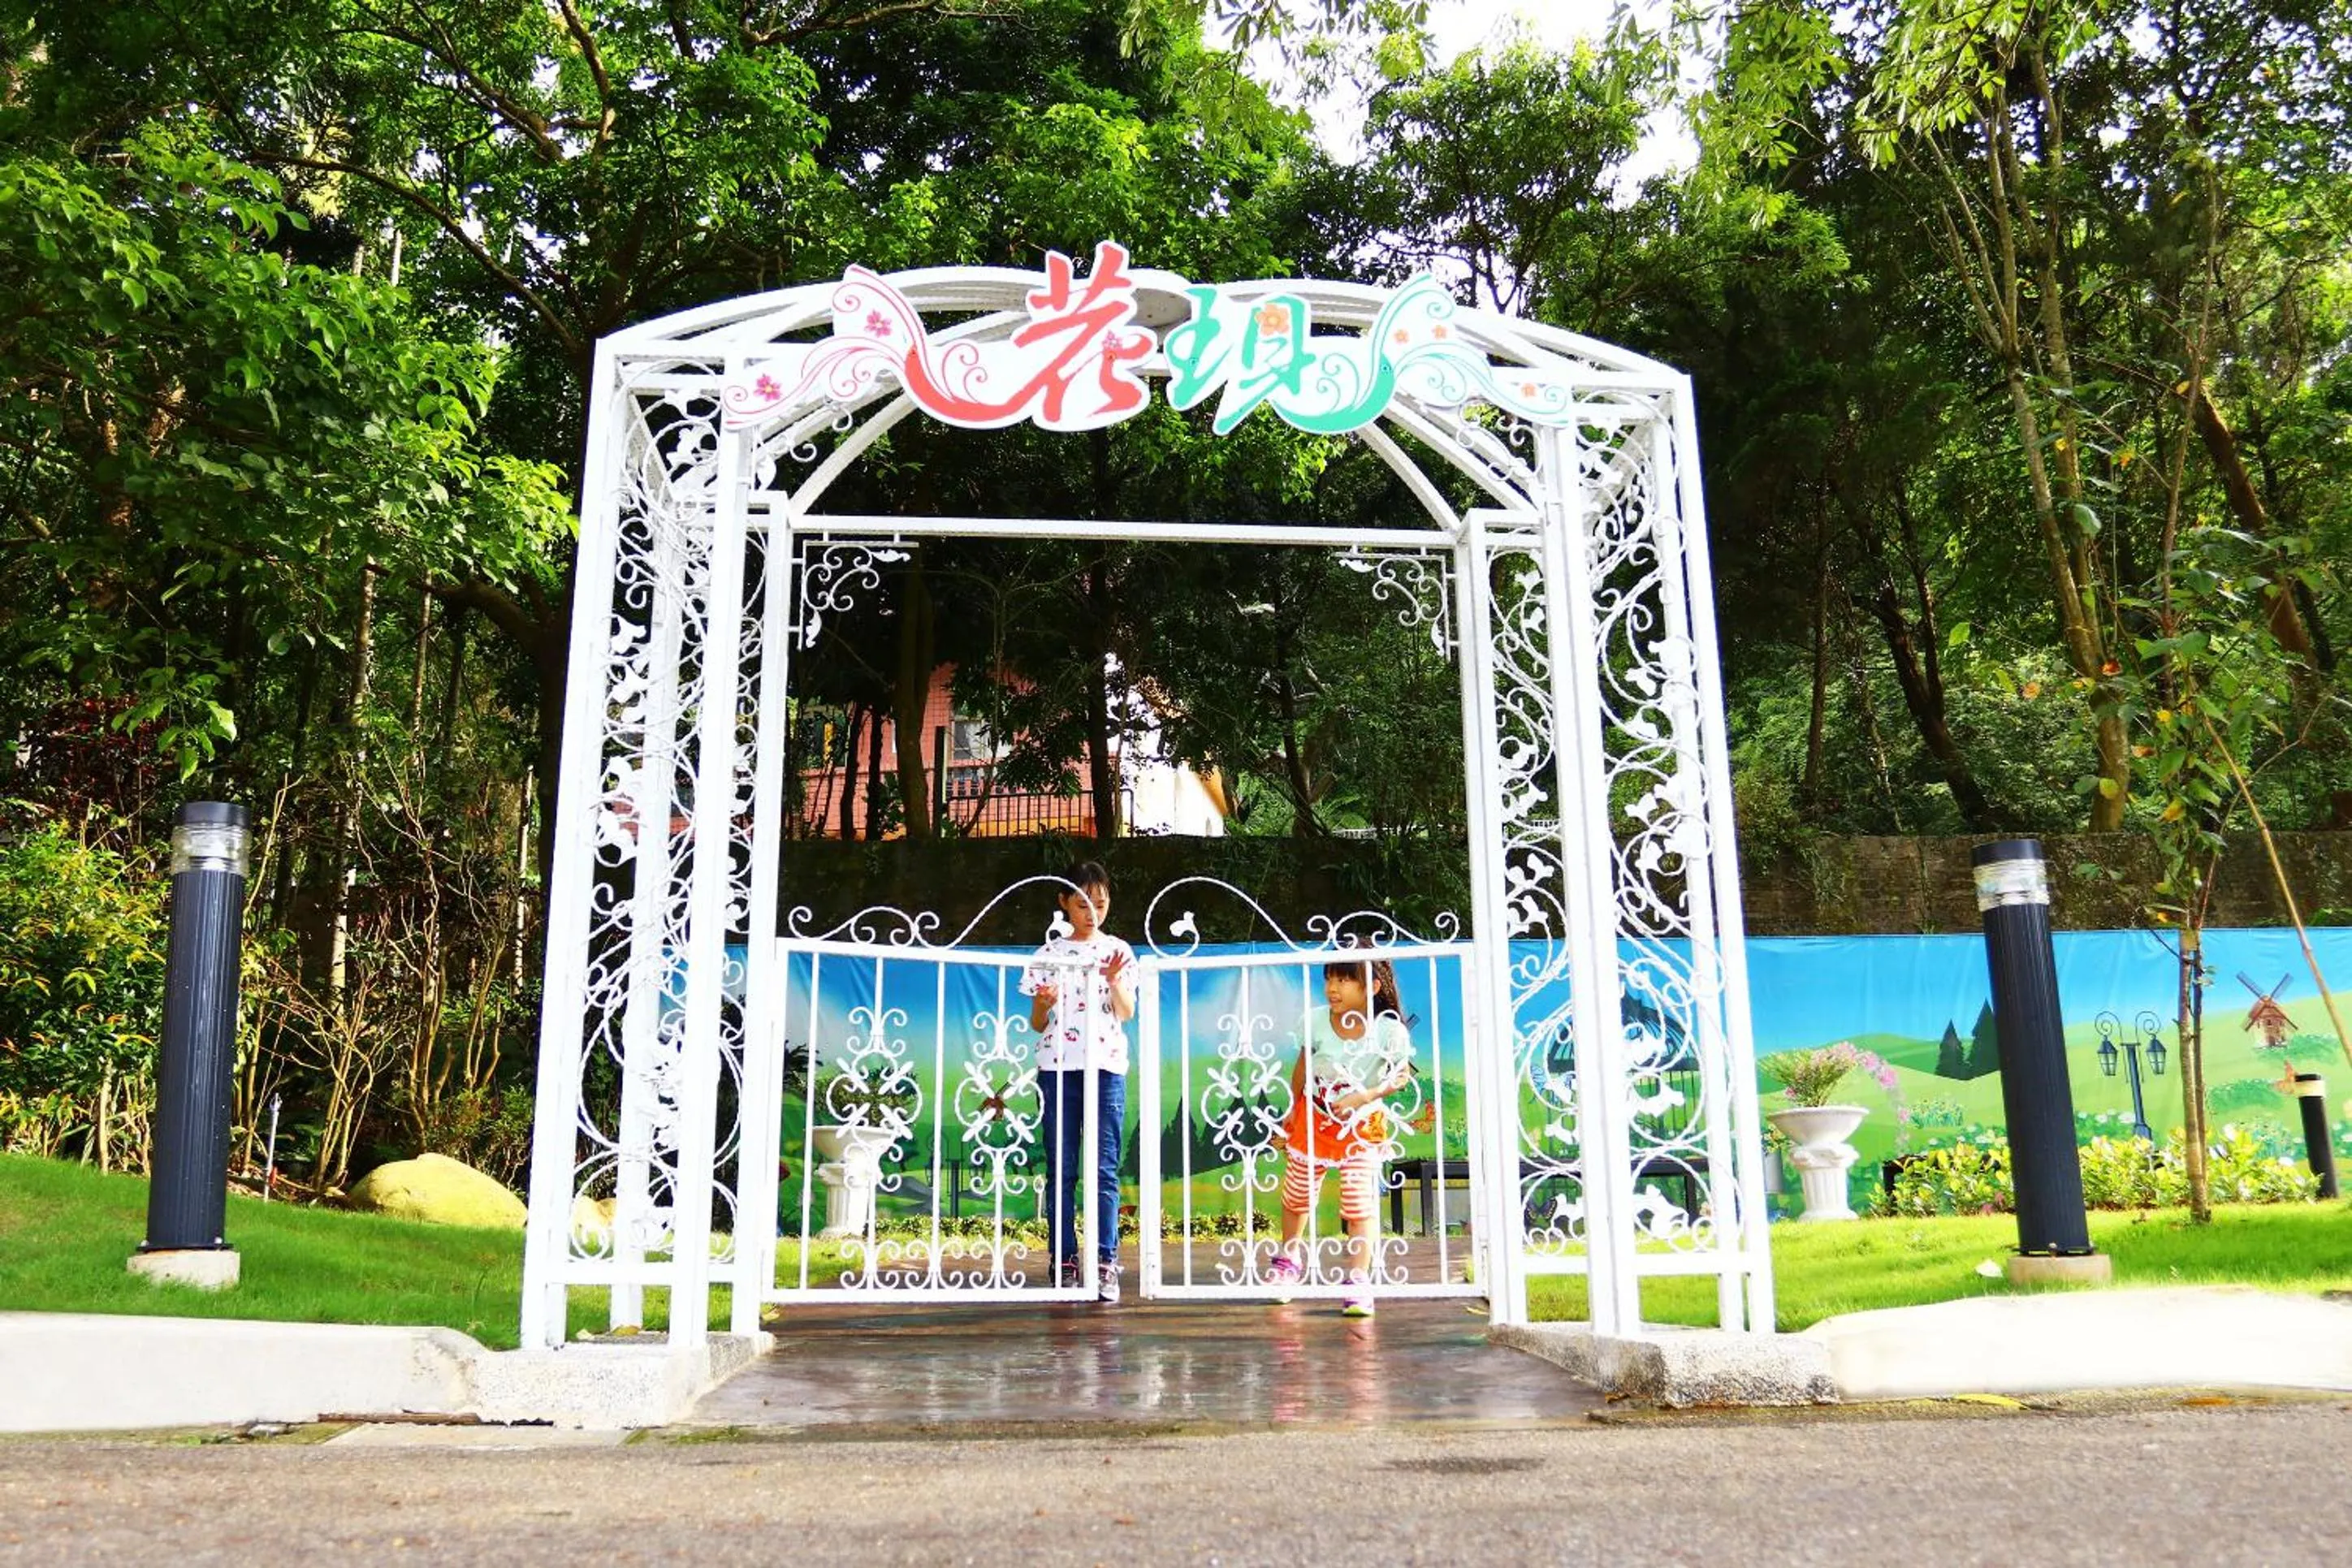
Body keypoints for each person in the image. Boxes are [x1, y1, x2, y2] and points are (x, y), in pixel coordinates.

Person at [1266, 952, 1412, 1318]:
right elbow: (1302, 1070)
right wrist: (1291, 1112)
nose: (1333, 987)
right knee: (1297, 1195)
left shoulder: (1390, 1029)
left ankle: (1358, 1281)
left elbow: (1401, 1076)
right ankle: (1288, 1261)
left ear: (1372, 987)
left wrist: (1364, 1096)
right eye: (1329, 978)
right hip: (1314, 1118)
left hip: (1362, 1124)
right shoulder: (1314, 1021)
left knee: (1359, 1201)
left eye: (1344, 980)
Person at [1021, 862, 1135, 1303]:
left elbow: (1126, 1012)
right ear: (1065, 903)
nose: (1093, 911)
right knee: (1061, 1169)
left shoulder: (1119, 951)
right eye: (1084, 903)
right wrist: (1043, 1004)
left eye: (1101, 903)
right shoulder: (1047, 955)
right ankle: (1064, 1259)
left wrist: (1112, 983)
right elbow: (1036, 1023)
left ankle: (1106, 1262)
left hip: (1106, 1069)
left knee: (1104, 1170)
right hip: (1057, 1068)